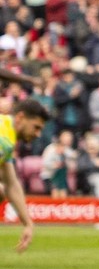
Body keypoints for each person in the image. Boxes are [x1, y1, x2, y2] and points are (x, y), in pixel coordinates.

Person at [1, 98, 51, 253]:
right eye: (36, 127)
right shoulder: (4, 139)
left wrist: (28, 223)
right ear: (21, 118)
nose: (38, 134)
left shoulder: (7, 134)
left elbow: (12, 183)